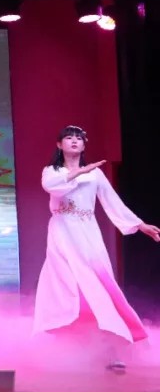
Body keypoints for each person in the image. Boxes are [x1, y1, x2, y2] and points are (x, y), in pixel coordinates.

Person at [34, 125, 160, 368]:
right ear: (59, 144)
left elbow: (112, 201)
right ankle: (69, 345)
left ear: (84, 145)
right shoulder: (52, 171)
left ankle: (111, 346)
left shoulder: (95, 174)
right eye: (68, 138)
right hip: (62, 231)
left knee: (97, 287)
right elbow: (51, 187)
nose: (74, 141)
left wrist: (139, 224)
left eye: (78, 138)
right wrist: (77, 173)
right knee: (66, 285)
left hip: (87, 232)